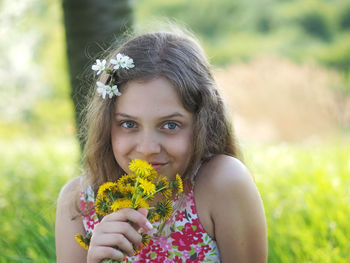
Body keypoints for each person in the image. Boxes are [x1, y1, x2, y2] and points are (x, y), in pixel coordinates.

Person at [55, 28, 267, 263]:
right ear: (106, 125)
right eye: (128, 123)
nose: (147, 148)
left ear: (201, 124)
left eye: (170, 125)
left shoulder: (223, 184)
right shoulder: (78, 204)